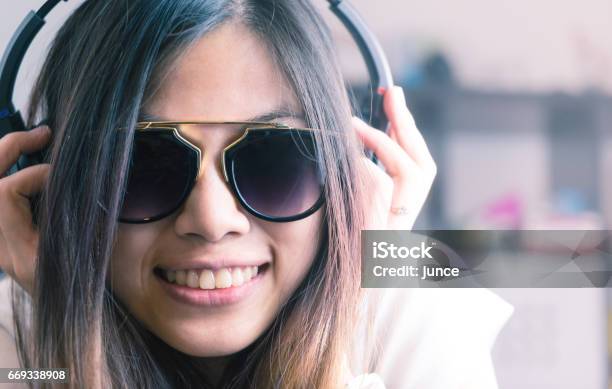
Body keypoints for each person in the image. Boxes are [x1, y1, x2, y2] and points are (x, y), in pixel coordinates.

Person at [0, 1, 511, 388]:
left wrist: (340, 331)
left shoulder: (419, 321)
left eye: (274, 161)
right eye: (142, 165)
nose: (213, 219)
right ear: (51, 184)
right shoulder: (17, 343)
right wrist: (70, 346)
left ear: (351, 177)